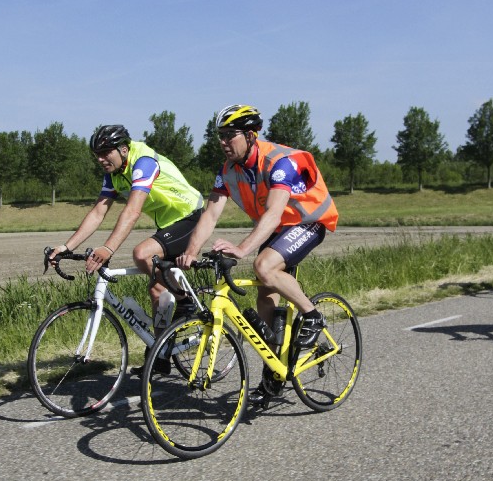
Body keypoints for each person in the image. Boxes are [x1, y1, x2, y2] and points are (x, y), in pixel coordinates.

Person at [178, 103, 338, 348]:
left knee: (263, 266)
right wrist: (191, 252)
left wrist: (242, 248)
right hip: (278, 229)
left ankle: (313, 315)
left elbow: (273, 213)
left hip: (307, 221)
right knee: (265, 293)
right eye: (220, 136)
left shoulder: (279, 162)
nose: (223, 142)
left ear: (251, 136)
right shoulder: (228, 170)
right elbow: (210, 214)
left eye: (230, 135)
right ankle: (272, 367)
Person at [49, 124, 203, 323]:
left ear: (123, 149)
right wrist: (66, 247)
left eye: (105, 152)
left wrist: (108, 248)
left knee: (142, 254)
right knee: (157, 290)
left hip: (191, 217)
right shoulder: (113, 175)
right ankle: (163, 343)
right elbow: (98, 212)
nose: (100, 159)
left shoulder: (144, 163)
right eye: (97, 154)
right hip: (168, 224)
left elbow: (132, 211)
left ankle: (185, 301)